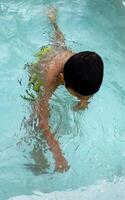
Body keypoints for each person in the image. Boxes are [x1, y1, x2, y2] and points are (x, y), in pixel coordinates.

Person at [34, 7, 104, 172]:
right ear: (63, 80)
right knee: (36, 120)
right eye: (81, 95)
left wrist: (83, 99)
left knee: (59, 43)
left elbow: (86, 90)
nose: (86, 99)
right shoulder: (49, 80)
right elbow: (41, 117)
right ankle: (36, 156)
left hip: (62, 56)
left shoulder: (83, 65)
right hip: (43, 65)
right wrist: (57, 154)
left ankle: (53, 21)